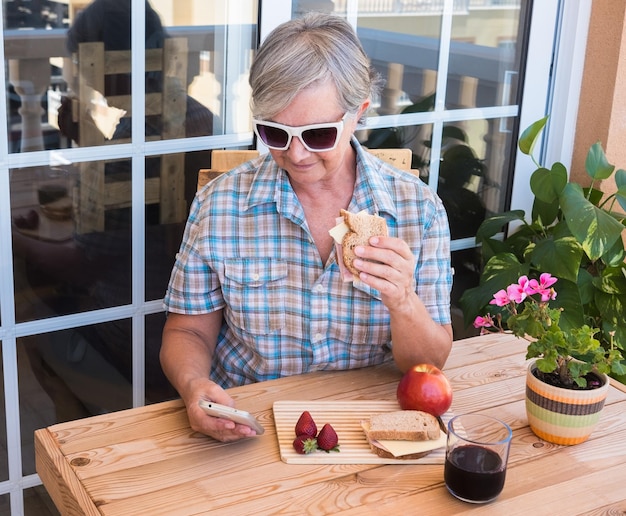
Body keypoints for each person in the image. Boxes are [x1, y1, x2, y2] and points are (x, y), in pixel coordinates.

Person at [160, 12, 453, 442]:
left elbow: (428, 365)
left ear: (359, 115)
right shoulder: (220, 203)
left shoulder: (417, 210)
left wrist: (403, 301)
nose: (296, 154)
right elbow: (186, 330)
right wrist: (193, 388)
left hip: (362, 432)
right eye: (274, 133)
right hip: (248, 422)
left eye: (317, 134)